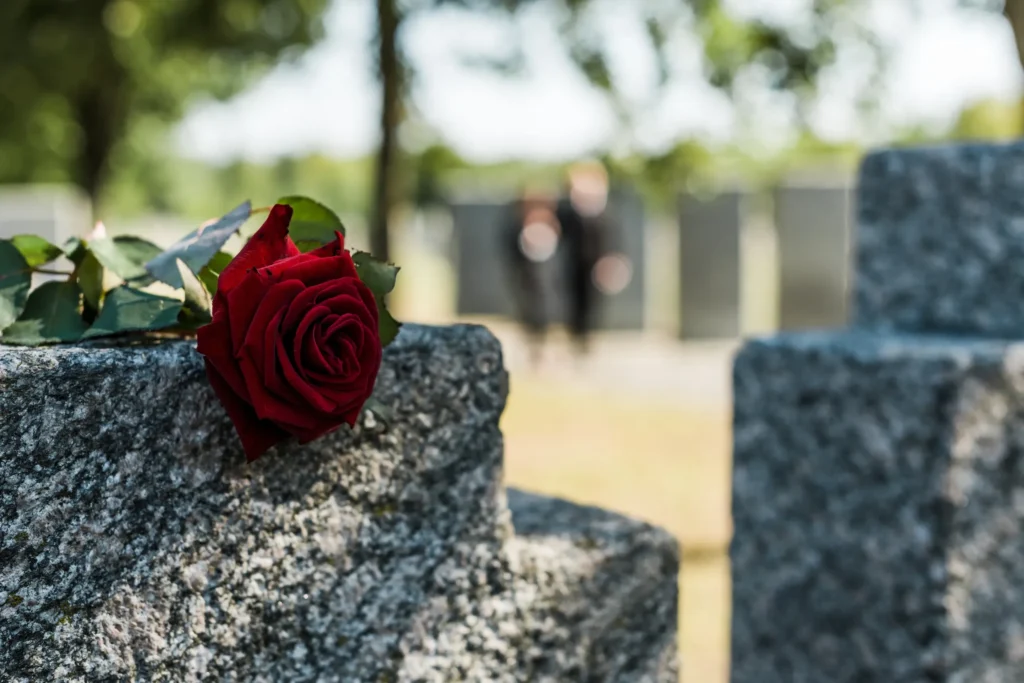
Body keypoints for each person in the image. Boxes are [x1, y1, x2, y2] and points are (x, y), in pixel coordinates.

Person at [555, 161, 631, 357]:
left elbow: (614, 240)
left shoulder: (605, 214)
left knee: (592, 306)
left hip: (596, 267)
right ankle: (576, 339)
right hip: (573, 265)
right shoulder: (567, 212)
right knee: (573, 303)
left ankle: (585, 341)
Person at [500, 187, 560, 367]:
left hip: (544, 282)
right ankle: (533, 348)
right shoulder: (517, 226)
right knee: (528, 313)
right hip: (526, 280)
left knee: (543, 313)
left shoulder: (551, 225)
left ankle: (540, 348)